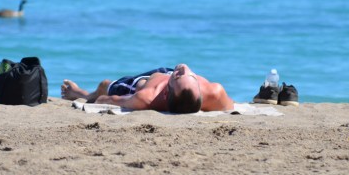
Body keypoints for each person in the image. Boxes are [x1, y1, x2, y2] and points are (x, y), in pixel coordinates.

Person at [60, 63, 234, 113]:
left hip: (144, 83)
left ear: (167, 90)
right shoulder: (215, 92)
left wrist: (94, 99)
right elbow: (231, 106)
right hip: (167, 78)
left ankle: (78, 93)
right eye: (192, 76)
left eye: (181, 74)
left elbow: (106, 100)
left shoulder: (147, 97)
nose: (184, 67)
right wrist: (181, 78)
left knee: (105, 85)